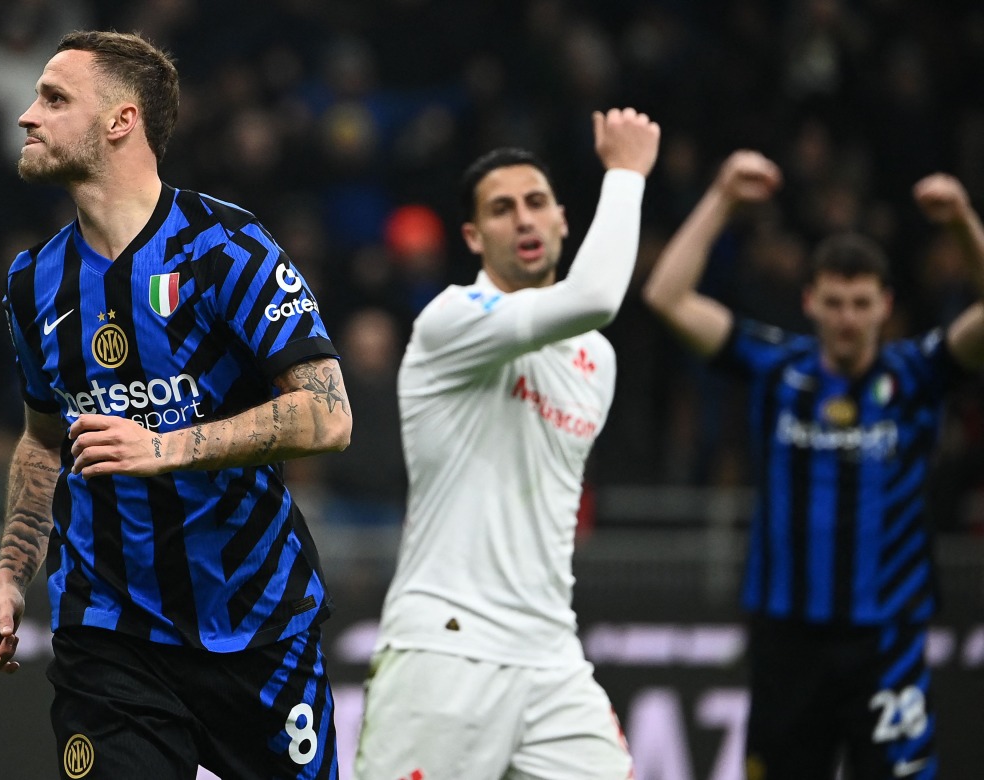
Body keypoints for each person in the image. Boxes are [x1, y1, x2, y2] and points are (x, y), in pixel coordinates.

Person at [0, 31, 352, 780]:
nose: (26, 115)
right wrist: (11, 577)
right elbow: (44, 440)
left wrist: (165, 445)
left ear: (121, 121)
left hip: (256, 626)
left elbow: (327, 413)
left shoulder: (226, 247)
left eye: (53, 98)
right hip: (108, 635)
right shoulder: (30, 282)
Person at [641, 150, 984, 780]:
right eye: (834, 302)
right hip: (787, 640)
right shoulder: (777, 368)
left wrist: (963, 221)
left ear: (884, 304)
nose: (847, 319)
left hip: (887, 641)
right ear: (810, 302)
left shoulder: (917, 374)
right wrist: (720, 196)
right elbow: (666, 295)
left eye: (860, 303)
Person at [355, 108, 660, 780]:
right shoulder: (453, 320)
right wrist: (628, 174)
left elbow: (589, 312)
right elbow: (599, 294)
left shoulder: (596, 361)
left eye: (535, 203)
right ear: (472, 235)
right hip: (445, 652)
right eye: (500, 209)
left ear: (562, 221)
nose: (522, 219)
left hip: (552, 654)